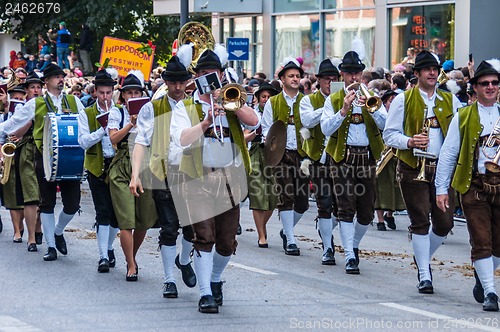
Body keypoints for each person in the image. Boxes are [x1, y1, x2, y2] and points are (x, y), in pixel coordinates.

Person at [170, 45, 260, 313]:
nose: (209, 77)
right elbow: (181, 139)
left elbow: (254, 123)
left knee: (226, 241)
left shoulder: (232, 100)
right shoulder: (185, 106)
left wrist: (231, 104)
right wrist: (205, 123)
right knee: (204, 236)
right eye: (204, 73)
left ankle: (216, 278)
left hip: (230, 176)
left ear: (221, 75)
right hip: (197, 176)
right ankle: (205, 292)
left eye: (214, 73)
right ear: (196, 77)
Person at [383, 50, 461, 293]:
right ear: (416, 74)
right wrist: (409, 141)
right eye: (427, 69)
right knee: (419, 221)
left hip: (442, 168)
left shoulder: (450, 101)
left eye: (435, 70)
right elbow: (389, 134)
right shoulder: (403, 99)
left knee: (445, 223)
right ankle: (425, 274)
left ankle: (422, 257)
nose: (432, 73)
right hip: (412, 167)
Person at [0, 63, 84, 261]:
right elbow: (12, 124)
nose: (60, 79)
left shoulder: (74, 101)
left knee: (72, 204)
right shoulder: (35, 104)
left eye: (61, 76)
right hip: (44, 158)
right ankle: (51, 247)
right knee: (46, 203)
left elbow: (85, 127)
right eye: (56, 76)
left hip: (70, 159)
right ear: (46, 81)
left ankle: (58, 231)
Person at [436, 59, 500, 312]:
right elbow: (448, 153)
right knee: (481, 239)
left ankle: (481, 276)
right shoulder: (463, 115)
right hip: (474, 184)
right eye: (485, 83)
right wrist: (441, 189)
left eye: (495, 83)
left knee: (498, 243)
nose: (491, 87)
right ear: (474, 87)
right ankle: (491, 291)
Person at [130, 50, 196, 295]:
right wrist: (135, 174)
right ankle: (169, 279)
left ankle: (185, 261)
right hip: (163, 173)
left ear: (187, 82)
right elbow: (141, 142)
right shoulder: (152, 108)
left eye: (182, 81)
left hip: (191, 173)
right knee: (169, 227)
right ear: (165, 82)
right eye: (173, 82)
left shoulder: (196, 106)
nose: (178, 86)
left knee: (192, 228)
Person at [320, 51, 387, 274]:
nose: (354, 78)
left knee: (367, 212)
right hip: (342, 159)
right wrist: (344, 110)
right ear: (342, 75)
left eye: (357, 73)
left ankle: (353, 245)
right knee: (346, 208)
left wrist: (372, 109)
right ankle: (349, 255)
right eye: (349, 74)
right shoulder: (333, 98)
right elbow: (325, 129)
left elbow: (386, 124)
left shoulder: (372, 96)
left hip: (366, 158)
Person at [107, 70, 158, 281]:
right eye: (129, 93)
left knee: (144, 219)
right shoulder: (116, 113)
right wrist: (131, 123)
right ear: (123, 96)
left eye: (137, 92)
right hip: (122, 167)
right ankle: (130, 264)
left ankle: (132, 257)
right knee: (126, 220)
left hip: (145, 165)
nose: (133, 96)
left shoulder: (151, 112)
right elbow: (113, 139)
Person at [261, 57, 308, 256]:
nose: (295, 79)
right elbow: (266, 128)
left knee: (303, 201)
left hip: (303, 155)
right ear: (282, 79)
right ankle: (290, 239)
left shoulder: (307, 101)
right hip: (281, 154)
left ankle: (285, 230)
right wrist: (272, 151)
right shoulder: (273, 102)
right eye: (291, 76)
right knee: (286, 197)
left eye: (297, 76)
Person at [78, 69, 120, 272]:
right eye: (101, 93)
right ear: (95, 92)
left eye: (108, 93)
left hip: (118, 166)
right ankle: (103, 255)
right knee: (102, 211)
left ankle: (109, 246)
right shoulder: (86, 113)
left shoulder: (120, 111)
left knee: (117, 215)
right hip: (96, 167)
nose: (105, 97)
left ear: (113, 92)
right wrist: (101, 131)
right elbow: (83, 142)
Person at [299, 58, 340, 265]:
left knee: (344, 206)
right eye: (327, 79)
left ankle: (325, 229)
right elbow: (307, 121)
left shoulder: (345, 98)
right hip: (318, 159)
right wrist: (328, 106)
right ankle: (328, 247)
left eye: (334, 79)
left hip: (340, 159)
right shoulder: (308, 100)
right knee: (324, 203)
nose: (330, 83)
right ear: (320, 80)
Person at [244, 82, 279, 248]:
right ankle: (261, 235)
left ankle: (262, 226)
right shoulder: (252, 115)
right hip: (256, 154)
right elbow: (244, 137)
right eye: (264, 96)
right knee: (258, 194)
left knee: (273, 197)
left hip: (273, 155)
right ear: (257, 99)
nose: (267, 99)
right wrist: (254, 134)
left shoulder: (276, 114)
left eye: (270, 96)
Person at [374, 90, 405, 231]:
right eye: (390, 100)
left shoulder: (401, 115)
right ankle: (380, 219)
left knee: (395, 184)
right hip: (381, 155)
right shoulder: (379, 114)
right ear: (385, 102)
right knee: (380, 186)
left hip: (396, 154)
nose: (393, 102)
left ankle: (390, 214)